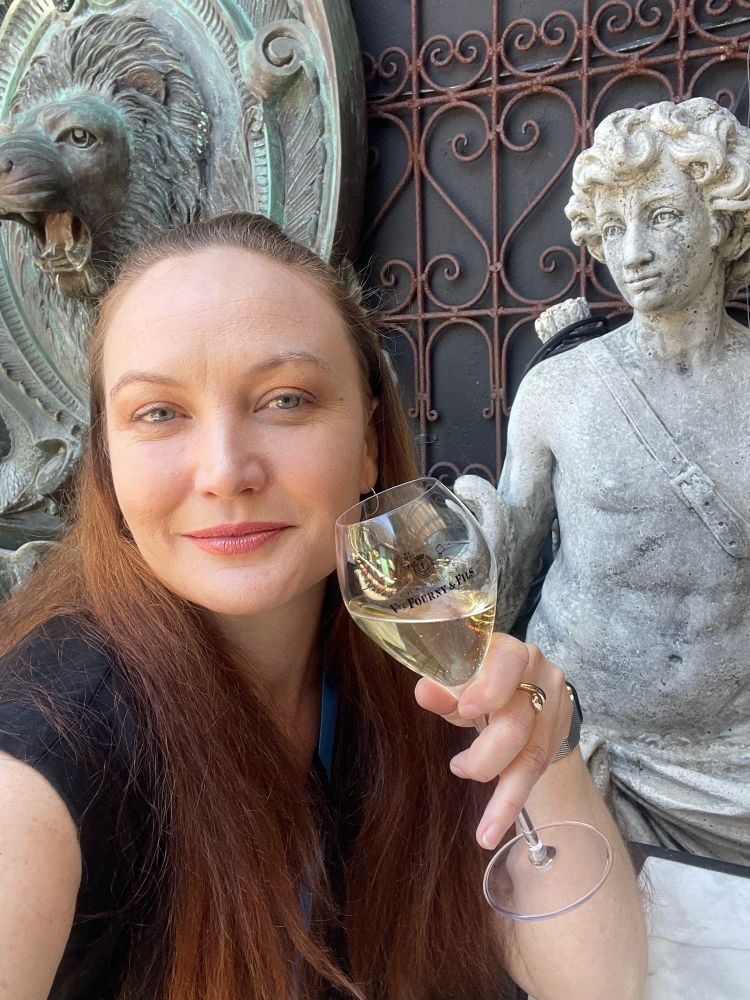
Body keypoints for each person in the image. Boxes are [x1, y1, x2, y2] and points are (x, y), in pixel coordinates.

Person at [0, 213, 646, 1000]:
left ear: (369, 442)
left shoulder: (406, 651)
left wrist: (547, 742)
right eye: (159, 413)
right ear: (108, 462)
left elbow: (598, 981)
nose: (225, 471)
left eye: (285, 400)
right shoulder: (51, 743)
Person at [456, 98, 750, 864]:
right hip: (578, 739)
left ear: (719, 220)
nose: (634, 252)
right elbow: (511, 568)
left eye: (662, 216)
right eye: (613, 228)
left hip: (735, 764)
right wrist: (472, 555)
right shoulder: (560, 390)